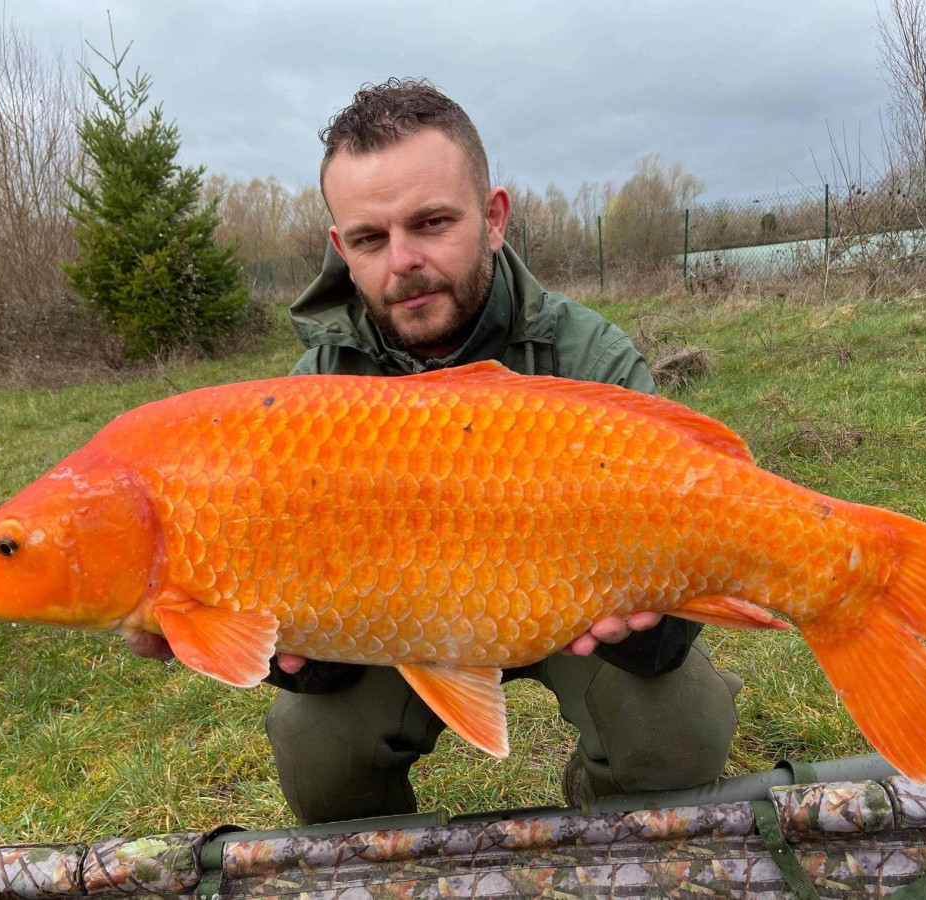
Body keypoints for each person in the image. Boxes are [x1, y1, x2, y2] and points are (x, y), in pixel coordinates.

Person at [133, 78, 742, 825]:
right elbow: (304, 645)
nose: (402, 262)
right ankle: (391, 863)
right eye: (369, 239)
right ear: (341, 249)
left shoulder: (588, 358)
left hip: (569, 612)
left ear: (492, 218)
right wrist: (286, 651)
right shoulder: (312, 396)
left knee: (677, 723)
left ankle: (599, 824)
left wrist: (654, 624)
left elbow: (684, 601)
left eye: (430, 223)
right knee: (313, 743)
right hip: (405, 624)